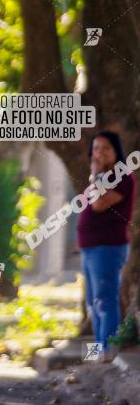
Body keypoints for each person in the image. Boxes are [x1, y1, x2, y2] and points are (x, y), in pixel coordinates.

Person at [77, 130, 136, 361]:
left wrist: (94, 176)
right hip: (90, 248)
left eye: (105, 148)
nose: (99, 153)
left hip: (108, 248)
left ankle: (108, 349)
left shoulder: (122, 177)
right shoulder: (100, 177)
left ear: (116, 152)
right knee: (93, 301)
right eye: (96, 148)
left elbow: (100, 204)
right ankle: (100, 349)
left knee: (106, 298)